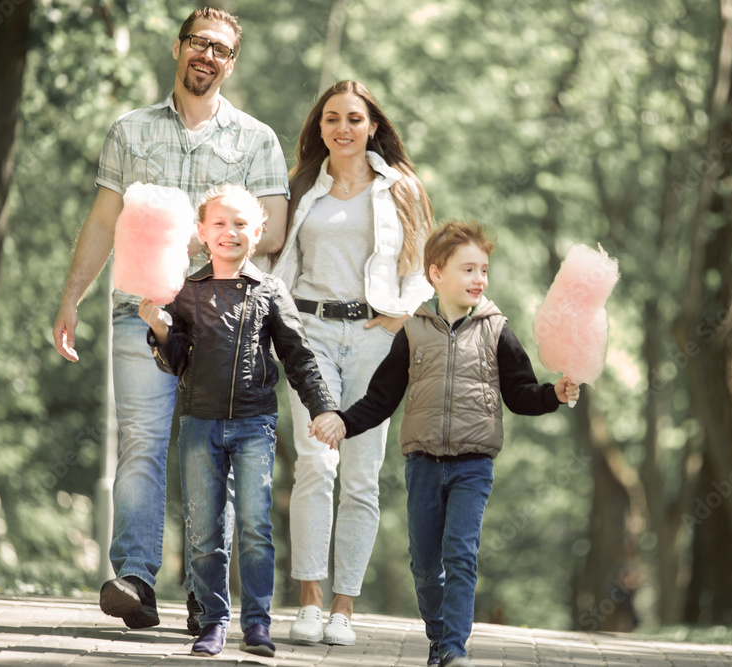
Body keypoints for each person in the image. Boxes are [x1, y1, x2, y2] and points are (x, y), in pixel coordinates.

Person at [51, 7, 290, 632]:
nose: (207, 56)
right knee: (142, 443)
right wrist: (71, 297)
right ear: (177, 48)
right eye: (198, 43)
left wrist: (195, 238)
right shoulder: (130, 131)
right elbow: (104, 221)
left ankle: (207, 596)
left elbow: (275, 231)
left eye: (220, 49)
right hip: (140, 310)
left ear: (231, 62)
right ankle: (135, 578)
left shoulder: (256, 139)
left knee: (211, 456)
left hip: (224, 322)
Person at [312, 220, 579, 667]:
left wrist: (553, 393)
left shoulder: (497, 331)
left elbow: (520, 395)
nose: (480, 279)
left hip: (474, 465)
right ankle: (439, 639)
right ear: (436, 274)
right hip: (422, 463)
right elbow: (381, 397)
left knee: (460, 553)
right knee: (424, 563)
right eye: (469, 269)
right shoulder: (414, 331)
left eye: (484, 270)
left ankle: (454, 648)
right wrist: (342, 421)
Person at [139, 184, 342, 657]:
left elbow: (299, 355)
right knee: (205, 530)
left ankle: (257, 625)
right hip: (199, 423)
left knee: (254, 526)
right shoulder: (185, 291)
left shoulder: (270, 290)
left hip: (254, 425)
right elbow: (176, 362)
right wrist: (161, 330)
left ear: (259, 231)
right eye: (220, 224)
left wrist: (324, 408)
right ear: (202, 232)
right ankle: (212, 622)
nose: (230, 232)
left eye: (240, 224)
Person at [269, 80, 435, 646]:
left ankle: (345, 608)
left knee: (362, 476)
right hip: (308, 333)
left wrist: (399, 316)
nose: (343, 128)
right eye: (332, 118)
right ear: (319, 128)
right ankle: (310, 601)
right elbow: (276, 263)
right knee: (316, 464)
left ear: (372, 127)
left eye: (354, 119)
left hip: (374, 339)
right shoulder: (300, 189)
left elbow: (423, 266)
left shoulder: (401, 189)